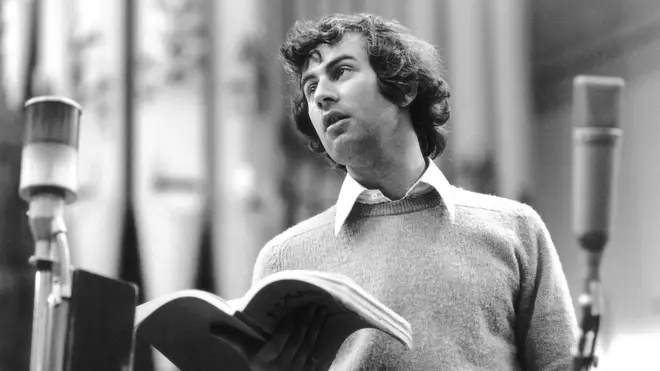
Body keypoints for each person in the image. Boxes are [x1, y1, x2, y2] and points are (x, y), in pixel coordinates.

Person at [225, 13, 578, 371]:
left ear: (405, 87)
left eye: (341, 71)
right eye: (310, 87)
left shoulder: (516, 230)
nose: (322, 97)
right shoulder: (285, 260)